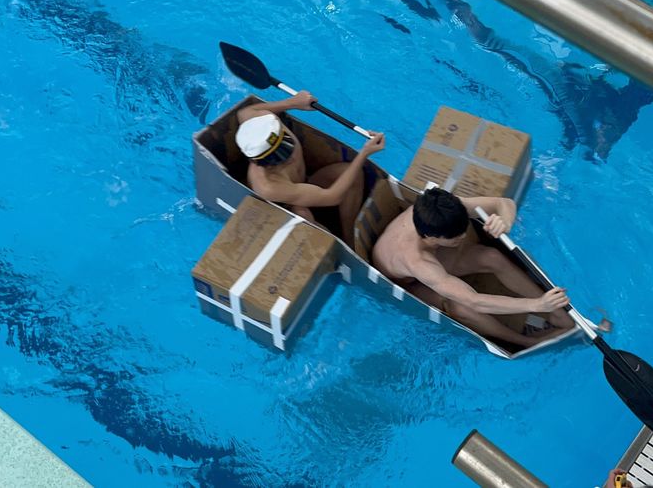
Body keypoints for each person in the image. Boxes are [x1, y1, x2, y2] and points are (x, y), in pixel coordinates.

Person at [372, 187, 575, 347]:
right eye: (454, 238)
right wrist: (536, 305)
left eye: (462, 231)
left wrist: (505, 222)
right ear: (432, 237)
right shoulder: (418, 262)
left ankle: (556, 313)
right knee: (460, 306)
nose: (462, 238)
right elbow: (475, 301)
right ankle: (526, 341)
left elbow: (503, 203)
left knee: (492, 257)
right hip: (405, 282)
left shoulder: (442, 210)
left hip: (431, 251)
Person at [235, 90, 384, 244]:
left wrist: (293, 102)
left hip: (305, 182)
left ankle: (350, 238)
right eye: (279, 159)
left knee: (351, 174)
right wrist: (364, 153)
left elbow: (244, 112)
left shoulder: (263, 120)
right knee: (303, 216)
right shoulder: (268, 186)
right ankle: (337, 247)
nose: (291, 157)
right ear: (260, 162)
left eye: (285, 147)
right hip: (288, 204)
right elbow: (332, 196)